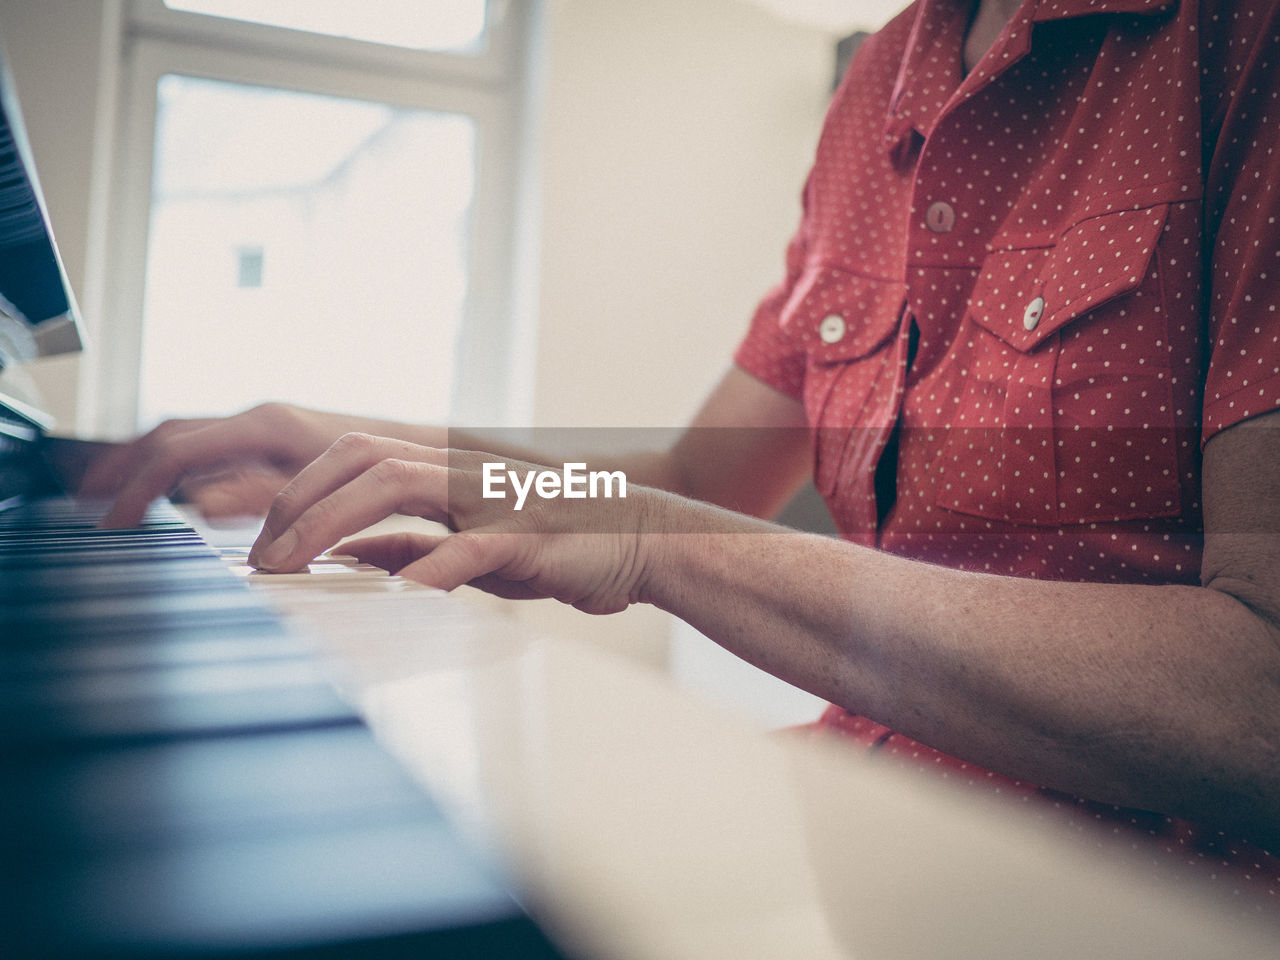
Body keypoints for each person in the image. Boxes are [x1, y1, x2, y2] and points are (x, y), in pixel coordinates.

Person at [85, 0, 1280, 898]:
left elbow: (1256, 690)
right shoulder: (882, 79)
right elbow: (696, 485)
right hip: (853, 855)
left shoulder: (1237, 43)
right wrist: (365, 446)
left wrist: (656, 542)